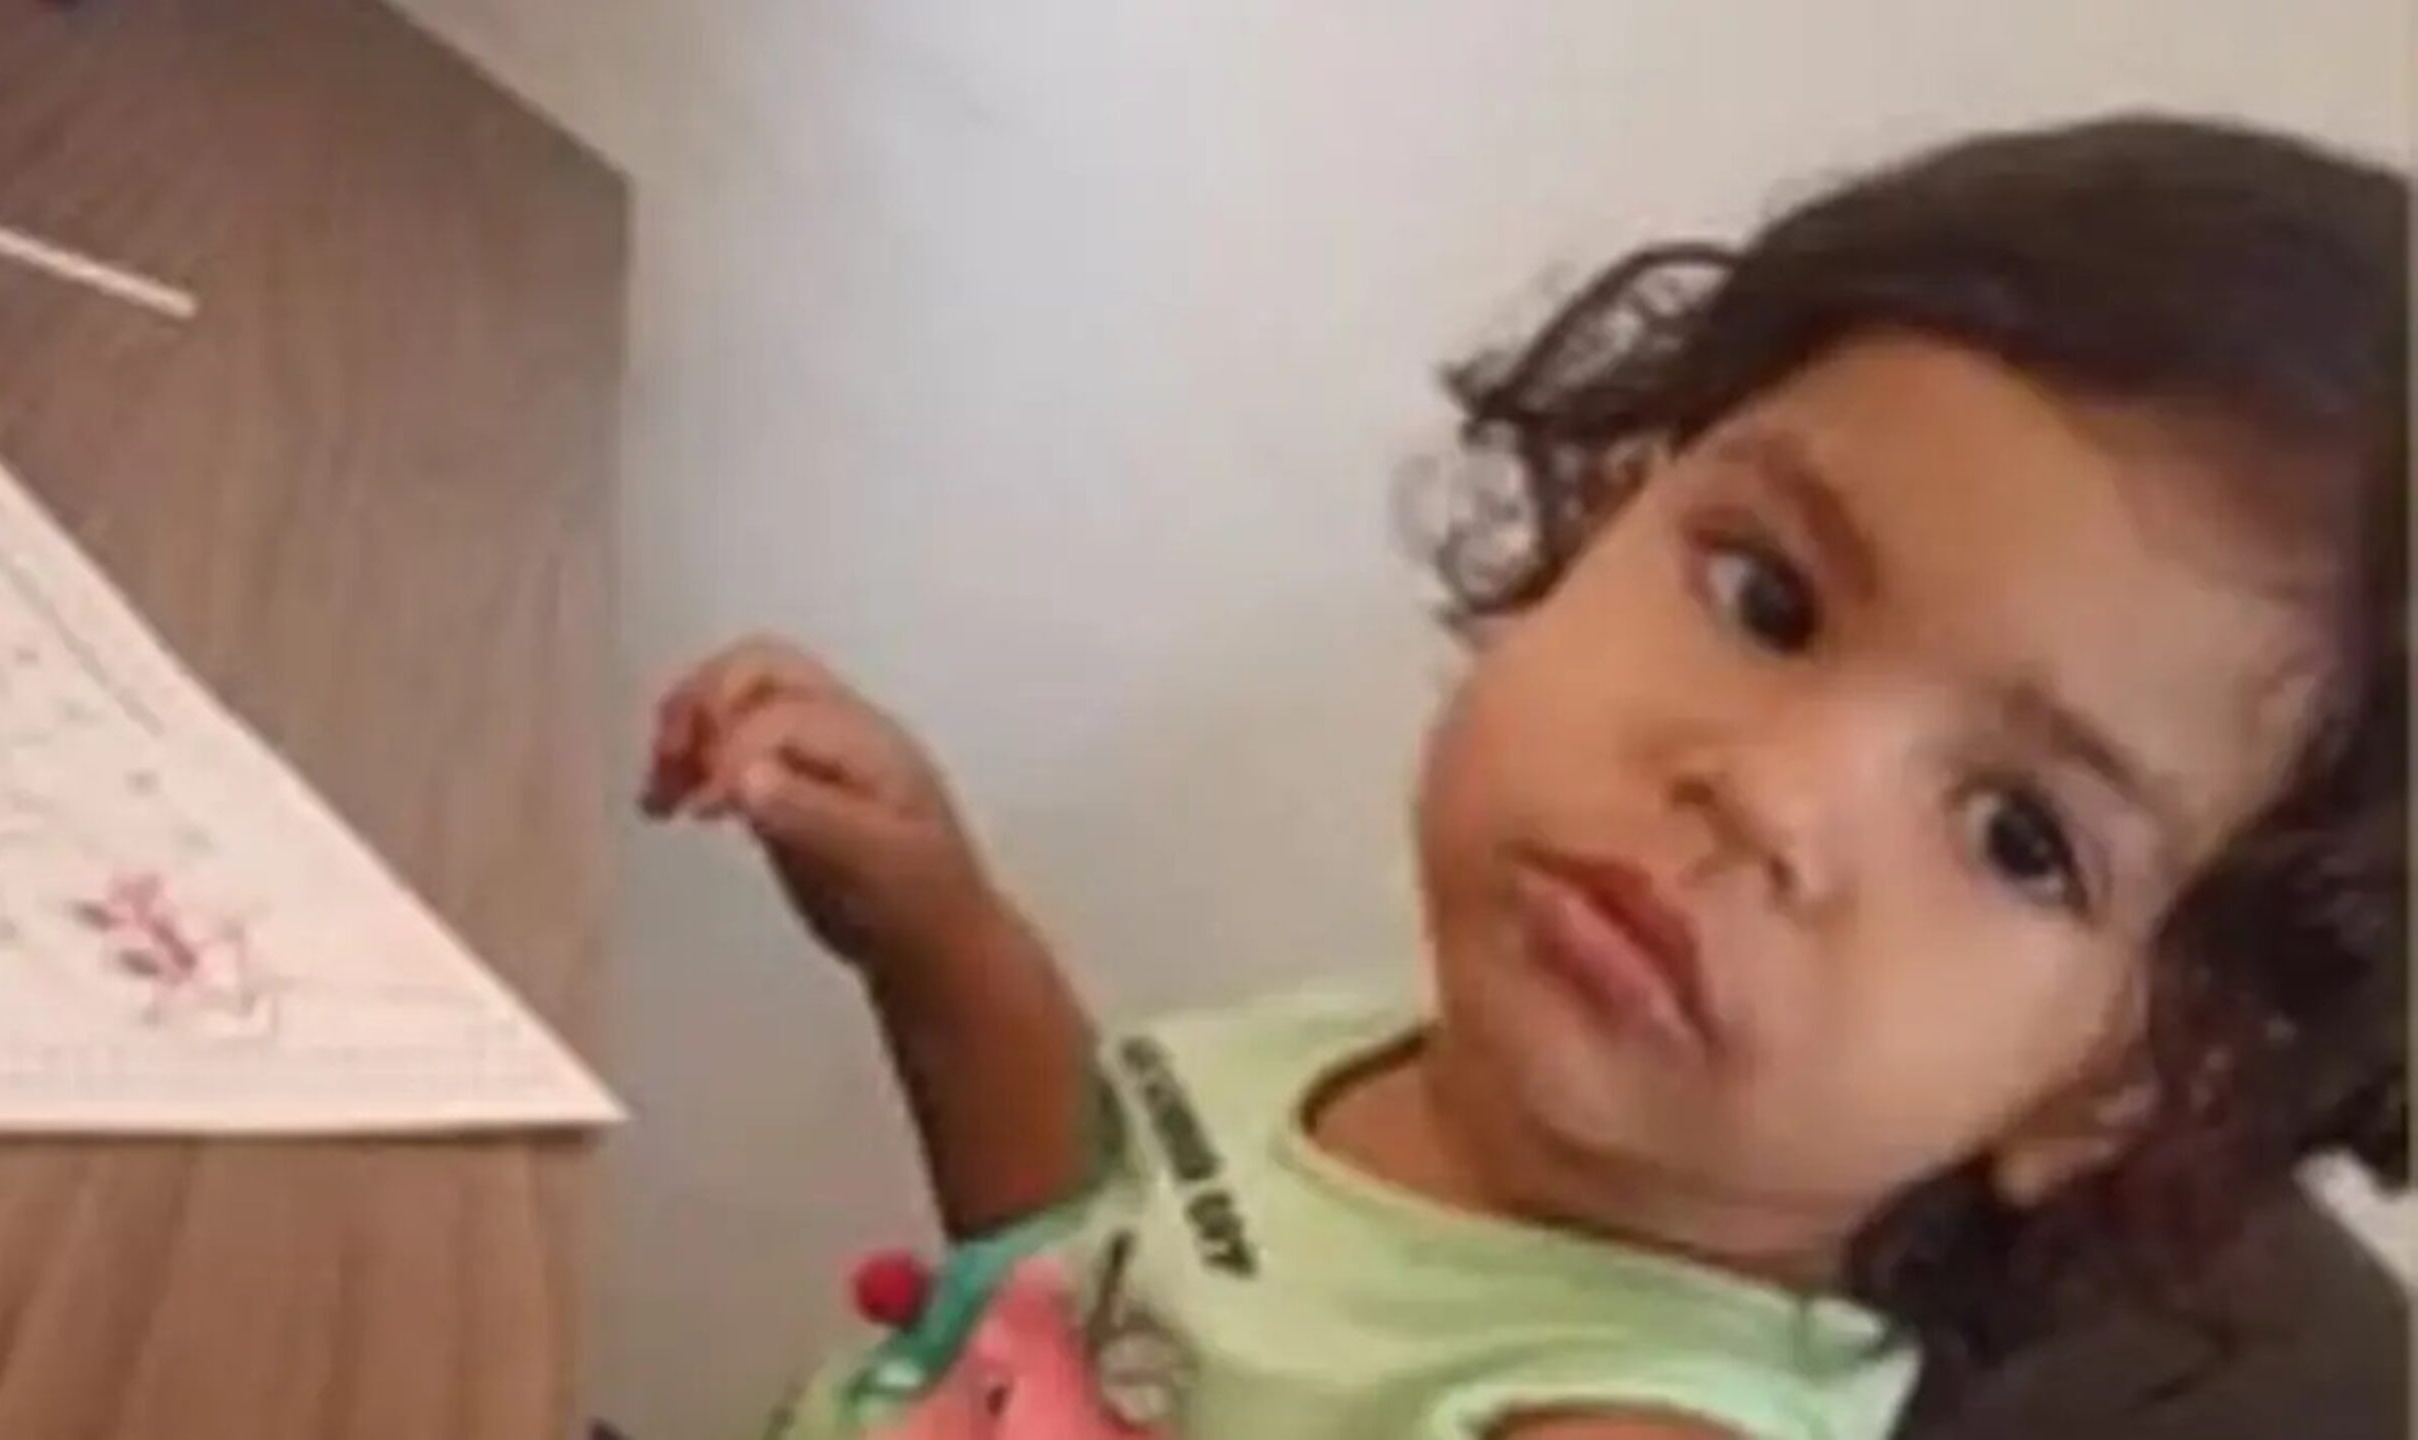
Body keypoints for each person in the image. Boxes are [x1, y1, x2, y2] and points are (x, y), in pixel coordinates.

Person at [644, 116, 2408, 1440]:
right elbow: (1092, 1276)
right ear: (1613, 502)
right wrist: (938, 938)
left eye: (2021, 838)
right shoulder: (1431, 1072)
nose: (1768, 793)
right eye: (1769, 600)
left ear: (2123, 1089)